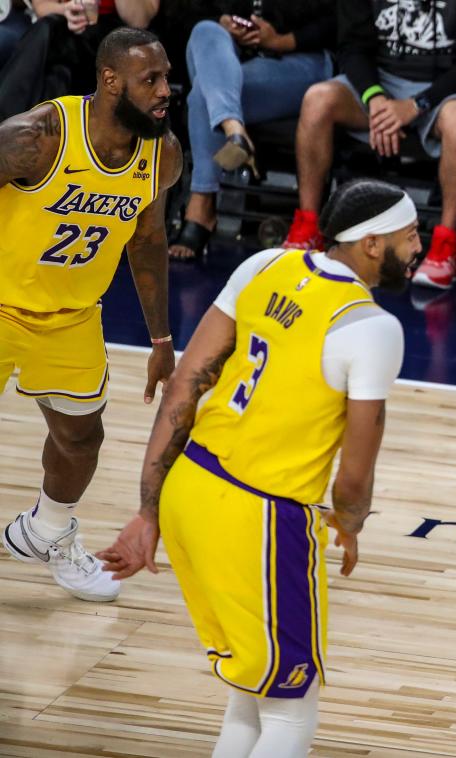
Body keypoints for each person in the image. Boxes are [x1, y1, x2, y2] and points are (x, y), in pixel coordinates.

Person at [97, 179, 421, 757]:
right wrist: (350, 522)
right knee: (292, 711)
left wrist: (150, 509)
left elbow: (184, 390)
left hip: (191, 487)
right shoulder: (371, 329)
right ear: (372, 244)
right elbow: (354, 476)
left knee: (252, 694)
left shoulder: (264, 264)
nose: (418, 247)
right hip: (262, 519)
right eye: (410, 234)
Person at [0, 28, 181, 602]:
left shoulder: (162, 153)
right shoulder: (39, 137)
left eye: (166, 77)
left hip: (73, 315)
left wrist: (161, 337)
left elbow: (147, 242)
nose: (164, 90)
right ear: (110, 81)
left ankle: (46, 533)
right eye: (150, 79)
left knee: (82, 438)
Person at [282, 0, 456, 291]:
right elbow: (352, 47)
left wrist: (417, 105)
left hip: (444, 91)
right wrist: (376, 98)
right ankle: (308, 227)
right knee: (317, 100)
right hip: (380, 84)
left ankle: (446, 244)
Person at [168, 0, 338, 260]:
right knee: (206, 29)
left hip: (302, 59)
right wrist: (224, 20)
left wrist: (282, 40)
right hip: (233, 57)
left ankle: (202, 202)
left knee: (204, 91)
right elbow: (182, 14)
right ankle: (233, 126)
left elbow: (337, 22)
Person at [0, 0, 160, 121]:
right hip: (64, 26)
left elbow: (140, 19)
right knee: (56, 68)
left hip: (115, 34)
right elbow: (42, 6)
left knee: (50, 41)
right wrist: (67, 10)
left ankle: (8, 128)